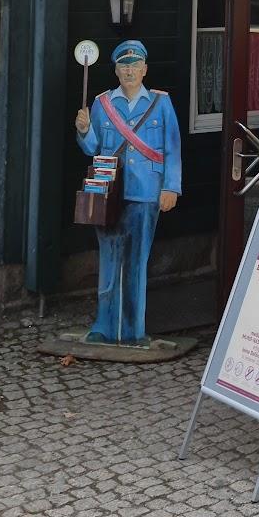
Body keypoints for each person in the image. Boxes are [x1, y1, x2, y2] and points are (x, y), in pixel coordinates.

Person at [74, 39, 182, 346]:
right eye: (124, 66)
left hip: (146, 192)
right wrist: (84, 130)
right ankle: (104, 327)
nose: (130, 71)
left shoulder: (161, 103)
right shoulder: (102, 103)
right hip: (109, 194)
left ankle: (133, 330)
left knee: (136, 263)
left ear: (145, 69)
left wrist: (171, 187)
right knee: (109, 261)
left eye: (135, 66)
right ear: (116, 70)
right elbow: (92, 149)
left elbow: (172, 148)